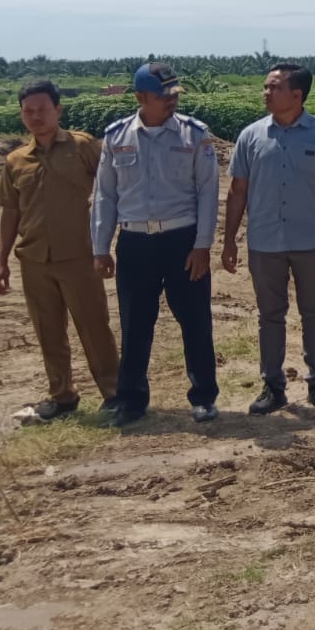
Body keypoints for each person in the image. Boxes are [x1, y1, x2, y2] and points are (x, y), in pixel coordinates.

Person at [90, 62, 220, 426]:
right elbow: (105, 195)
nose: (172, 100)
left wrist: (202, 245)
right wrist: (100, 247)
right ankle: (131, 401)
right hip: (134, 243)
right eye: (164, 95)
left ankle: (204, 397)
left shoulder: (195, 134)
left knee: (195, 321)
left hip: (182, 241)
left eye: (175, 93)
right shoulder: (116, 136)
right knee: (135, 324)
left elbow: (208, 192)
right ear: (140, 97)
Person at [221, 62, 315, 415]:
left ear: (297, 94)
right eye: (266, 86)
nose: (266, 92)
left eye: (274, 87)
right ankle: (273, 385)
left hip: (311, 241)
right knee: (269, 315)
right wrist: (229, 239)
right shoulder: (251, 136)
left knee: (314, 313)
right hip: (264, 242)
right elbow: (237, 191)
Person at [0, 79, 119, 419]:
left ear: (58, 110)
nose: (36, 117)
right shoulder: (15, 161)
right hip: (34, 259)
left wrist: (106, 243)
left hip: (80, 257)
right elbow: (10, 213)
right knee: (48, 332)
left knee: (94, 328)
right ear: (22, 114)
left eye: (42, 109)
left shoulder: (82, 146)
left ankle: (114, 393)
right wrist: (1, 261)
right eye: (28, 111)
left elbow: (113, 188)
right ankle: (62, 396)